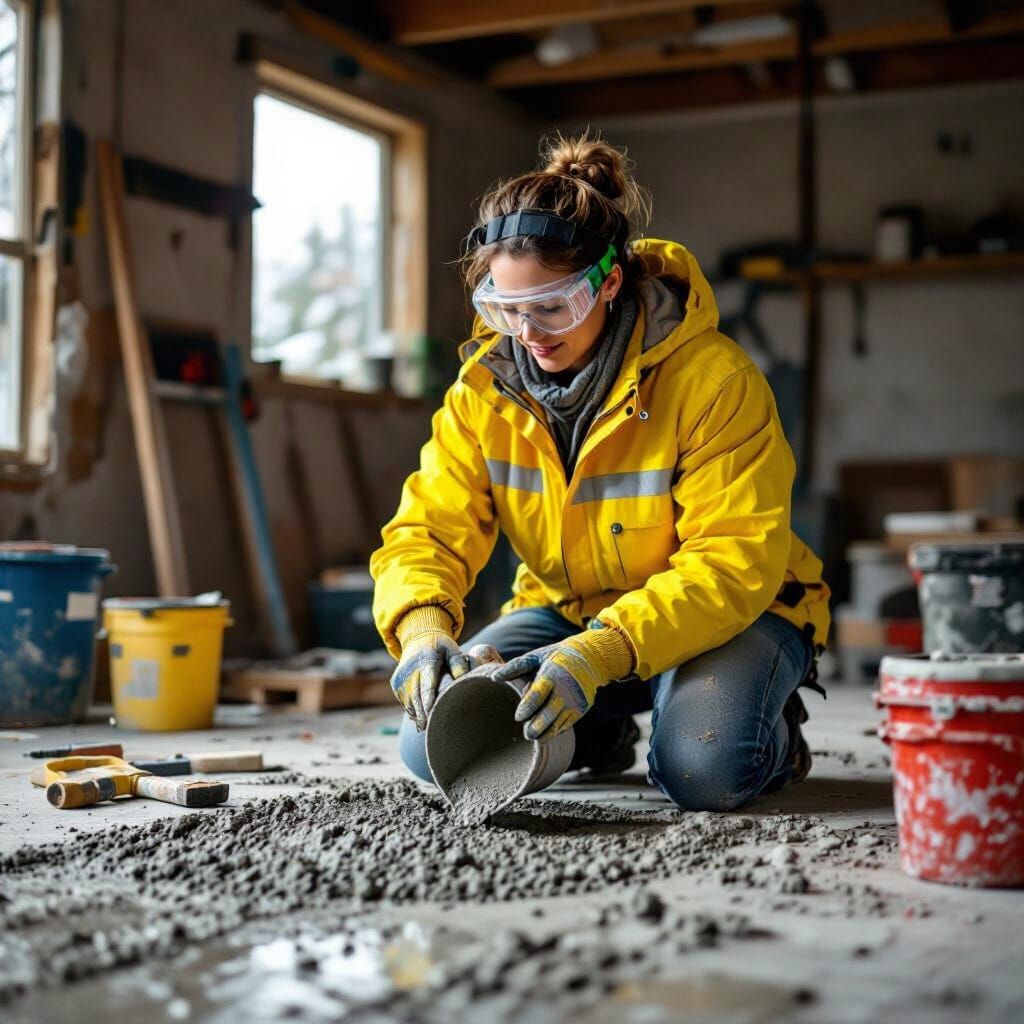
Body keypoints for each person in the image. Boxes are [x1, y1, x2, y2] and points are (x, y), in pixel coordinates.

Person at [370, 132, 830, 811]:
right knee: (436, 744)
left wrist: (606, 651)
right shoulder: (482, 391)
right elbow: (428, 530)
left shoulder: (713, 382)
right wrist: (422, 629)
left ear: (608, 281)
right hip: (571, 615)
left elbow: (732, 563)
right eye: (505, 308)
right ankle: (596, 733)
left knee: (703, 768)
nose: (528, 333)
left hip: (731, 613)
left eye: (552, 305)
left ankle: (771, 734)